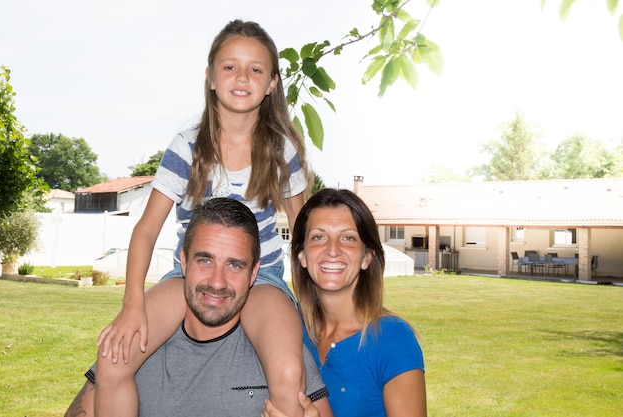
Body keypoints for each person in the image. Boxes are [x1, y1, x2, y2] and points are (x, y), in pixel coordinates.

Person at [93, 20, 312, 417]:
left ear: (272, 84)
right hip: (189, 275)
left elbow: (303, 231)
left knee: (288, 370)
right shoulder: (188, 147)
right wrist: (132, 305)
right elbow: (146, 231)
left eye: (256, 69)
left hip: (262, 276)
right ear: (210, 77)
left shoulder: (280, 149)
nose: (242, 77)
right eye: (229, 67)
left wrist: (311, 304)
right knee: (112, 361)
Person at [65, 198, 332, 417]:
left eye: (234, 265)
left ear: (254, 274)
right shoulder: (141, 342)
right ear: (183, 262)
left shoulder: (277, 344)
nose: (217, 282)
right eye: (205, 261)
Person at [267, 188, 427, 417]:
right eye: (318, 237)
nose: (332, 250)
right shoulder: (287, 328)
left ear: (367, 257)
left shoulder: (393, 340)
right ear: (301, 255)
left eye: (348, 238)